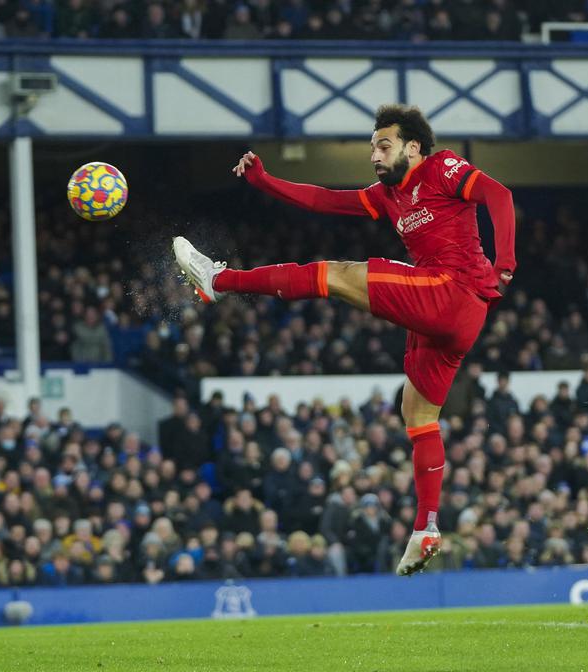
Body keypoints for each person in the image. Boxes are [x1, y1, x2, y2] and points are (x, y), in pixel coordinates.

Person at [172, 103, 515, 576]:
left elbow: (499, 195)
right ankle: (426, 527)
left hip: (453, 290)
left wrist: (505, 263)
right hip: (452, 316)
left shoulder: (442, 167)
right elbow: (322, 201)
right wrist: (263, 181)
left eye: (384, 146)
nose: (374, 156)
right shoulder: (387, 195)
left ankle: (219, 281)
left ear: (414, 147)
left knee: (334, 274)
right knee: (418, 416)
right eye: (372, 147)